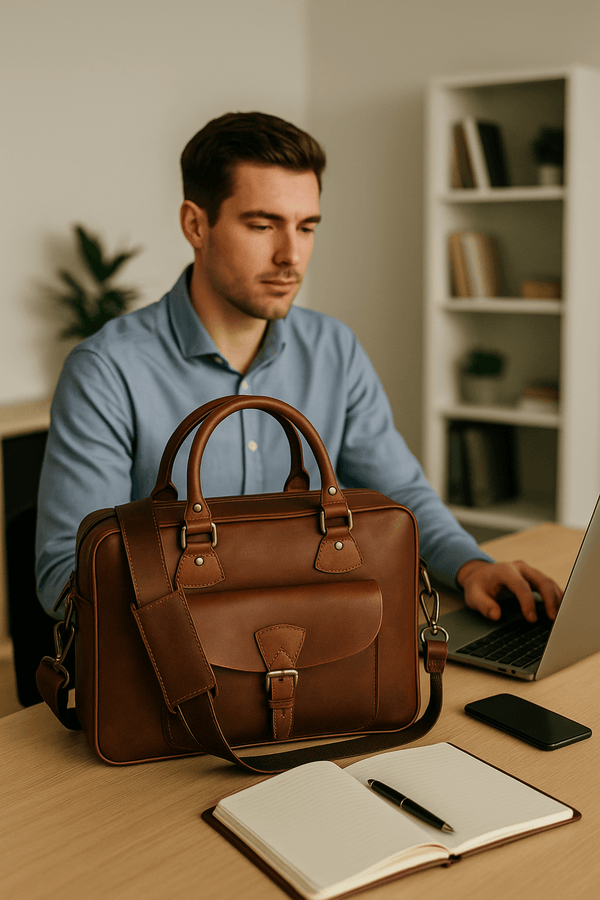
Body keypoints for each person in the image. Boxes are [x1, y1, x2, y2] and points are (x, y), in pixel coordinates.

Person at [35, 111, 562, 624]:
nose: (291, 255)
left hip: (313, 648)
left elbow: (402, 495)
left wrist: (471, 567)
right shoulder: (106, 369)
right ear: (196, 224)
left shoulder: (335, 348)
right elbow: (67, 574)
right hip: (174, 666)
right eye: (262, 225)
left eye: (306, 226)